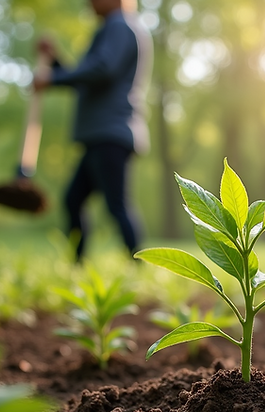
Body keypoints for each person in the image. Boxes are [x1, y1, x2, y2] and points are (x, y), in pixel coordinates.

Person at [34, 0, 151, 262]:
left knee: (116, 205)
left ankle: (139, 263)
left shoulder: (120, 26)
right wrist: (54, 63)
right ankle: (78, 264)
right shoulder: (114, 27)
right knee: (74, 200)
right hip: (101, 134)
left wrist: (52, 79)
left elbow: (102, 70)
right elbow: (87, 79)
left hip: (110, 133)